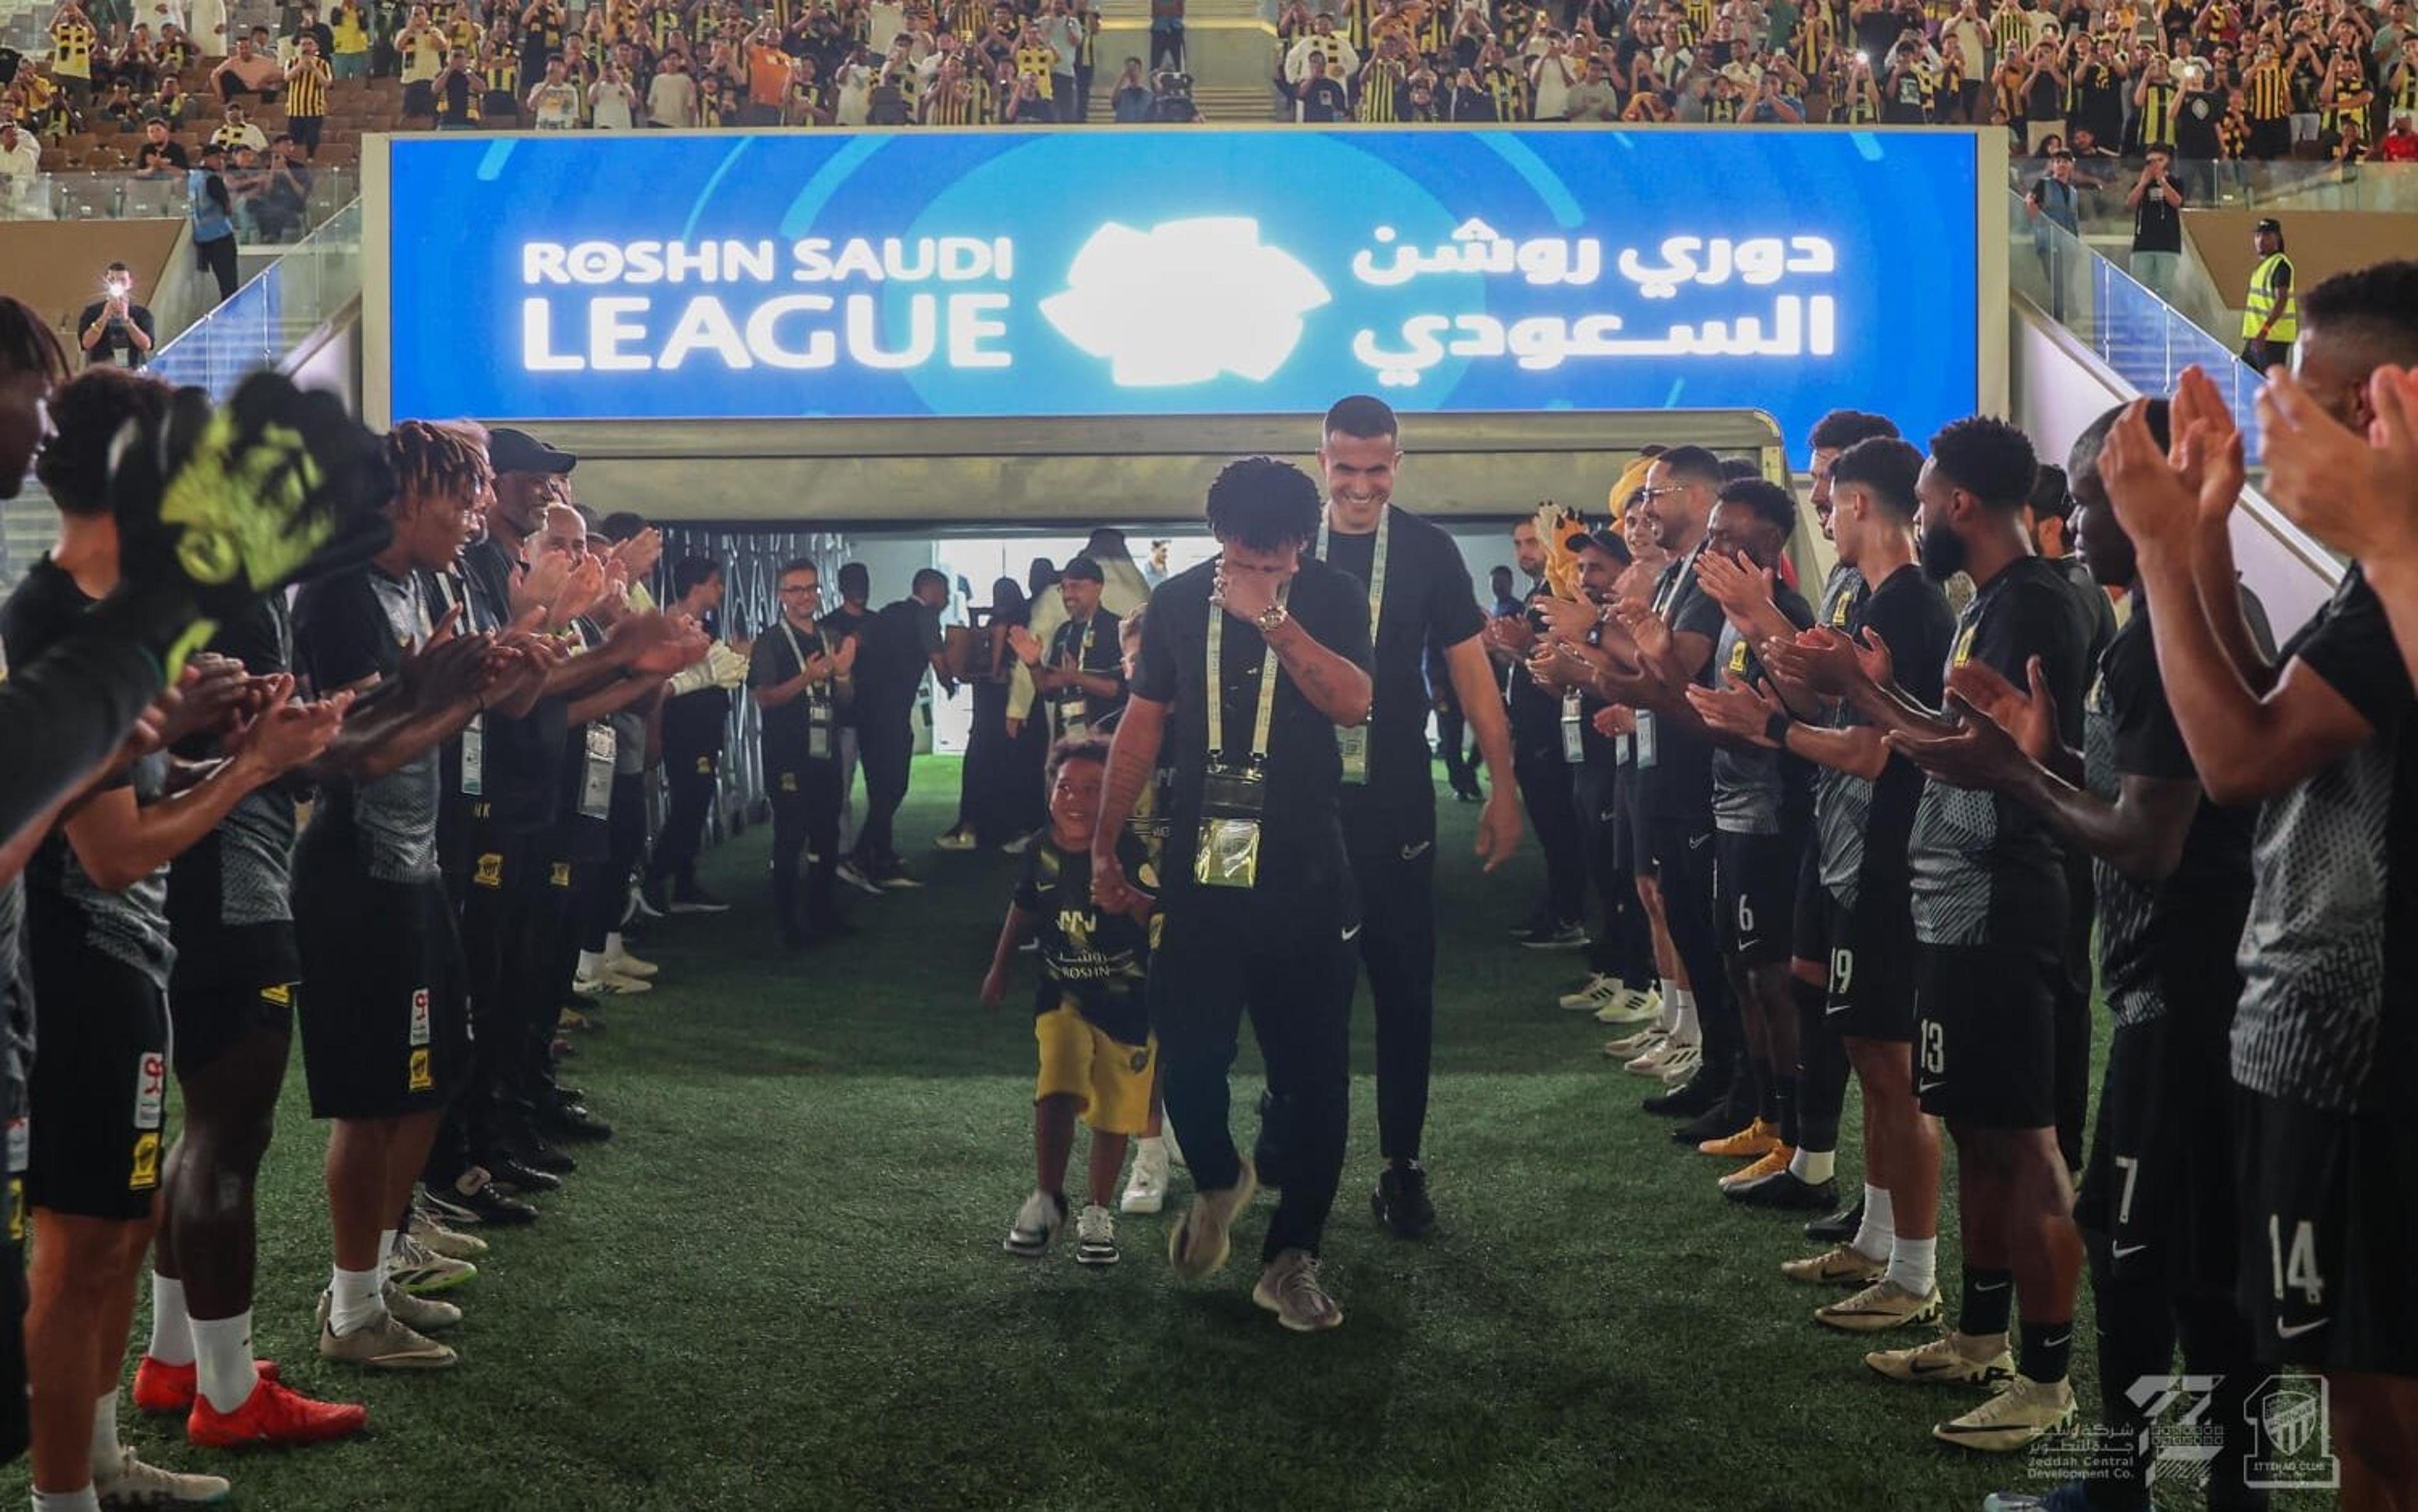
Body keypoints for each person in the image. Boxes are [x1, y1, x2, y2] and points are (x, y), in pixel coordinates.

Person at [1892, 399, 2266, 1512]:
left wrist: (2018, 774)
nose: (2075, 515)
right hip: (2188, 983)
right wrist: (2046, 757)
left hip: (2189, 989)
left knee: (2140, 1247)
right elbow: (2140, 800)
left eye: (2095, 495)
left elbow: (2151, 844)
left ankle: (2123, 1484)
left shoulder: (2166, 624)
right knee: (2195, 1256)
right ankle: (2216, 1487)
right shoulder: (2179, 608)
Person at [3, 370, 354, 1508]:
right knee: (80, 1246)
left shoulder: (108, 622)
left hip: (129, 958)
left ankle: (98, 1465)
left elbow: (121, 786)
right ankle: (65, 1495)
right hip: (78, 956)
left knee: (117, 1234)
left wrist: (221, 741)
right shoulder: (53, 616)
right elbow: (109, 849)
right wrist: (253, 770)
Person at [2100, 268, 2418, 1505]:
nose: (2289, 431)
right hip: (2334, 1047)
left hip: (2373, 1059)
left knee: (2382, 1433)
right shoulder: (2375, 577)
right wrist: (2207, 533)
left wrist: (2161, 549)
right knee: (2359, 1416)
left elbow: (2232, 760)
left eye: (2319, 406)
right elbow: (2271, 716)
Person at [1764, 418, 2094, 1452]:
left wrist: (1861, 691)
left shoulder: (2033, 600)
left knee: (2026, 1144)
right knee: (1986, 1135)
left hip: (2004, 900)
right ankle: (1980, 1336)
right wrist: (1865, 688)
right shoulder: (1997, 599)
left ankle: (2046, 1379)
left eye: (1927, 499)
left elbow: (1974, 752)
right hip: (1966, 899)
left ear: (1957, 505)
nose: (1915, 516)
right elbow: (1958, 741)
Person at [1094, 456, 1371, 1333]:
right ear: (1220, 540)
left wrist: (1277, 620)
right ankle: (1219, 1176)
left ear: (1305, 541)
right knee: (1192, 1052)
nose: (1269, 569)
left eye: (1285, 554)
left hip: (1305, 869)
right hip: (1204, 864)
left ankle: (1291, 1257)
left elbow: (1355, 703)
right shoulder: (1177, 604)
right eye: (1253, 559)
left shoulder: (1327, 596)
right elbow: (1141, 724)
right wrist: (1104, 844)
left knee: (1314, 1076)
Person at [1311, 395, 1518, 1239]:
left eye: (1377, 469)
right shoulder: (1287, 543)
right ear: (1320, 460)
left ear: (1398, 464)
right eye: (1346, 468)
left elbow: (1471, 674)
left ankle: (1402, 1164)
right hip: (1305, 799)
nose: (1362, 487)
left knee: (1404, 989)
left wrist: (1504, 785)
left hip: (1397, 795)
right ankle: (1303, 1151)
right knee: (1303, 986)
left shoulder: (1428, 550)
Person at [982, 732, 1157, 1267]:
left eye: (1092, 788)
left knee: (1113, 1111)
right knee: (1057, 1080)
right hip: (1063, 996)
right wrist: (1000, 964)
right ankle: (1047, 1195)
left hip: (1128, 1005)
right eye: (1065, 786)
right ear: (1049, 790)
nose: (1075, 799)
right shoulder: (1040, 849)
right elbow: (1023, 907)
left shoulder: (1128, 850)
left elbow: (1161, 915)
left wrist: (1129, 899)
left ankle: (1097, 1213)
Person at [1484, 518, 1587, 950]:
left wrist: (1524, 647)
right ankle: (1559, 907)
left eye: (1532, 542)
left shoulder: (1560, 596)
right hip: (1536, 728)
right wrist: (1507, 647)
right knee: (1551, 828)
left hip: (1555, 730)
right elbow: (1533, 663)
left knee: (1562, 827)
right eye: (1518, 543)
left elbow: (1560, 662)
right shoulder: (1536, 594)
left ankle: (1570, 915)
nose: (1524, 551)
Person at [749, 557, 855, 947]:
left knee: (828, 833)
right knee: (791, 835)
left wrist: (842, 674)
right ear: (782, 596)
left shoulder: (829, 636)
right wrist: (808, 677)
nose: (805, 597)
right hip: (787, 752)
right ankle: (788, 924)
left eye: (811, 588)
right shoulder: (770, 642)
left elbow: (845, 699)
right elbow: (765, 698)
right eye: (796, 590)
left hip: (825, 749)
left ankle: (823, 913)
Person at [643, 554, 747, 916]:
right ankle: (653, 878)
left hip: (707, 727)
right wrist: (654, 735)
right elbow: (662, 684)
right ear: (697, 586)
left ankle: (684, 885)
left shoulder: (707, 625)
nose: (720, 590)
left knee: (697, 802)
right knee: (690, 804)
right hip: (684, 730)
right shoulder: (671, 625)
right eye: (716, 583)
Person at [846, 566, 950, 890]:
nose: (945, 601)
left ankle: (881, 854)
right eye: (944, 594)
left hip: (867, 712)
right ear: (931, 591)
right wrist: (952, 682)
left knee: (879, 786)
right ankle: (862, 855)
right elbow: (939, 659)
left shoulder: (889, 612)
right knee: (894, 787)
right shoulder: (926, 615)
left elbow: (857, 639)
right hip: (891, 715)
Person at [2126, 147, 2186, 299]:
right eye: (2150, 162)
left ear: (2167, 161)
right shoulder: (2140, 183)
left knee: (2166, 290)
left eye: (2160, 160)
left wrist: (2162, 181)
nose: (2155, 165)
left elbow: (2177, 202)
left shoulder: (2176, 181)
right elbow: (2130, 204)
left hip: (2168, 244)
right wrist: (2143, 183)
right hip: (2143, 244)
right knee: (2139, 289)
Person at [2240, 216, 2295, 374]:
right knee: (2245, 380)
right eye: (2257, 236)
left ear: (2277, 238)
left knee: (2270, 387)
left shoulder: (2281, 265)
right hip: (2256, 337)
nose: (2260, 240)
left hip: (2271, 339)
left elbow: (2282, 299)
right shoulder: (2264, 266)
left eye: (2266, 235)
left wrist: (2264, 330)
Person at [74, 264, 155, 371]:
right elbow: (86, 344)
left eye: (123, 280)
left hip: (133, 374)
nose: (118, 284)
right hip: (100, 375)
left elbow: (146, 345)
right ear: (106, 283)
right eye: (112, 280)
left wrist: (126, 320)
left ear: (130, 283)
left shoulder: (142, 313)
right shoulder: (92, 312)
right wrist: (104, 317)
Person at [188, 149, 241, 302]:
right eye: (217, 157)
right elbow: (227, 207)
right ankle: (232, 315)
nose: (221, 161)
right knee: (229, 283)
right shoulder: (213, 180)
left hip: (202, 235)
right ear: (206, 158)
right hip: (220, 234)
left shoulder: (194, 178)